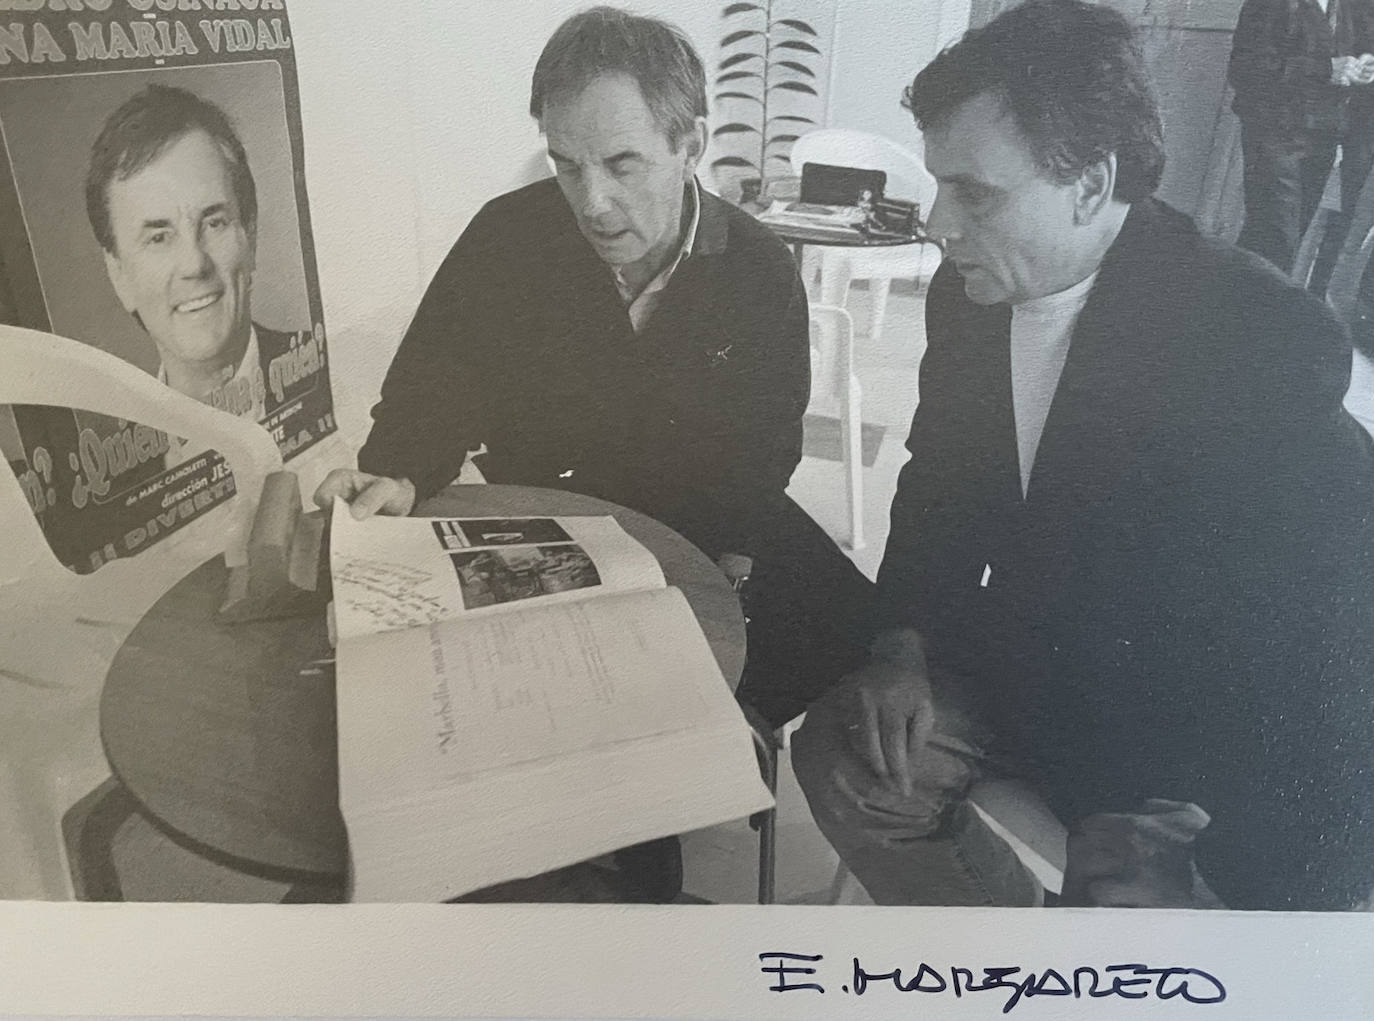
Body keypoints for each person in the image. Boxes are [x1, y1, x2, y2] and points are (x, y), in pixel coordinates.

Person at [792, 0, 1374, 912]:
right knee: (842, 753)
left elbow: (1320, 647)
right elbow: (938, 484)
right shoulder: (969, 296)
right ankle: (1020, 955)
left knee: (1148, 914)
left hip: (1191, 746)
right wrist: (903, 647)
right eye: (939, 184)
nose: (939, 223)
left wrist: (1213, 858)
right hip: (1036, 668)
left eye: (975, 192)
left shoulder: (1257, 337)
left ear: (1091, 184)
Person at [314, 7, 873, 898]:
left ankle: (635, 837)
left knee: (840, 642)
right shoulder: (507, 236)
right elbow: (433, 384)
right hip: (550, 529)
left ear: (690, 145)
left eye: (621, 164)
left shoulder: (758, 268)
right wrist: (400, 469)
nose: (591, 202)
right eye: (565, 164)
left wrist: (715, 580)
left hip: (701, 535)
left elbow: (766, 449)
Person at [86, 83, 311, 464]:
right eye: (159, 237)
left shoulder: (331, 375)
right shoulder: (112, 473)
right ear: (118, 274)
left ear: (250, 234)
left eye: (214, 222)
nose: (194, 264)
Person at [1230, 0, 1374, 279]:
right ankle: (1244, 302)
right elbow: (1244, 68)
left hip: (1323, 136)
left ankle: (1231, 298)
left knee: (1279, 240)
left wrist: (1363, 64)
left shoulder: (1348, 5)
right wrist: (1326, 70)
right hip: (1274, 135)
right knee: (1277, 237)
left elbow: (1353, 49)